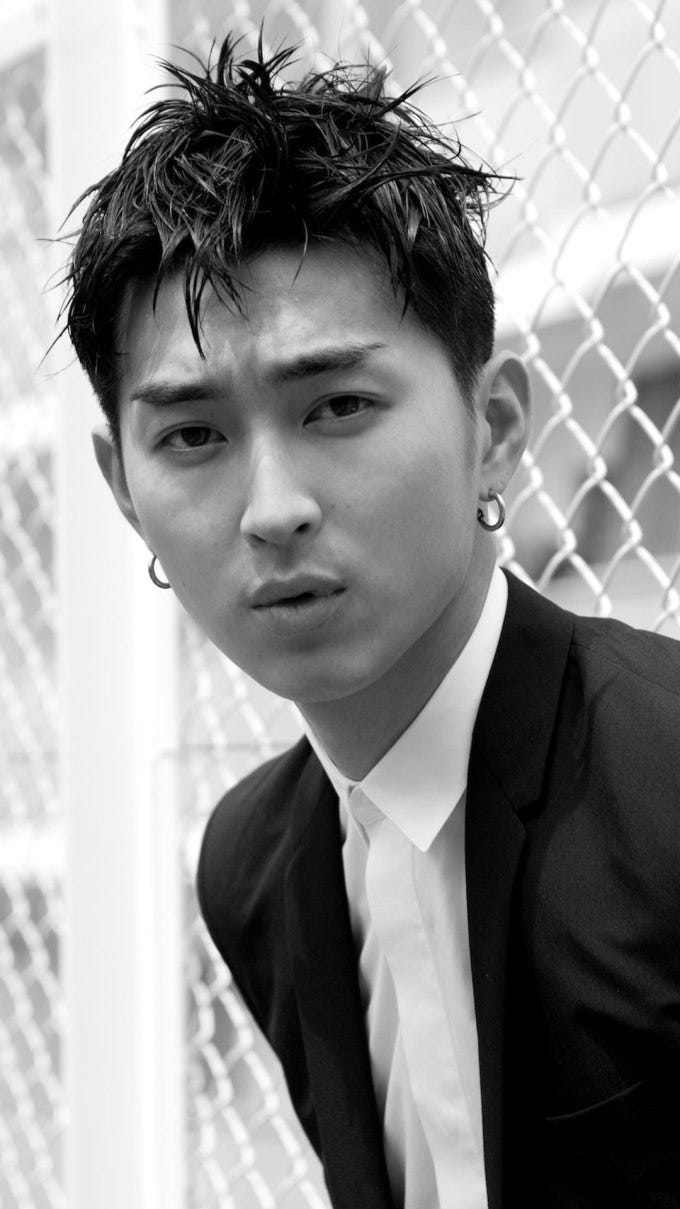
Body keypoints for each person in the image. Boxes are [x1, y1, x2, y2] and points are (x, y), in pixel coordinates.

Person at [62, 34, 680, 1209]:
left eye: (338, 405)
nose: (272, 510)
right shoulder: (250, 866)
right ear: (123, 489)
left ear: (494, 428)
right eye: (191, 435)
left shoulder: (661, 784)